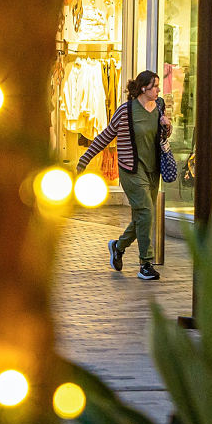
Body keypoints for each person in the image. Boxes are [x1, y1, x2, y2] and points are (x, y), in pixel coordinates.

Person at [77, 70, 171, 281]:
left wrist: (167, 126)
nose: (158, 90)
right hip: (131, 169)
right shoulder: (126, 111)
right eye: (154, 86)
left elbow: (163, 135)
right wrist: (85, 159)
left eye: (157, 86)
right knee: (146, 212)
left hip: (153, 170)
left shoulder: (160, 106)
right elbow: (105, 136)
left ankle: (118, 247)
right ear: (143, 88)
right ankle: (145, 264)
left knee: (143, 216)